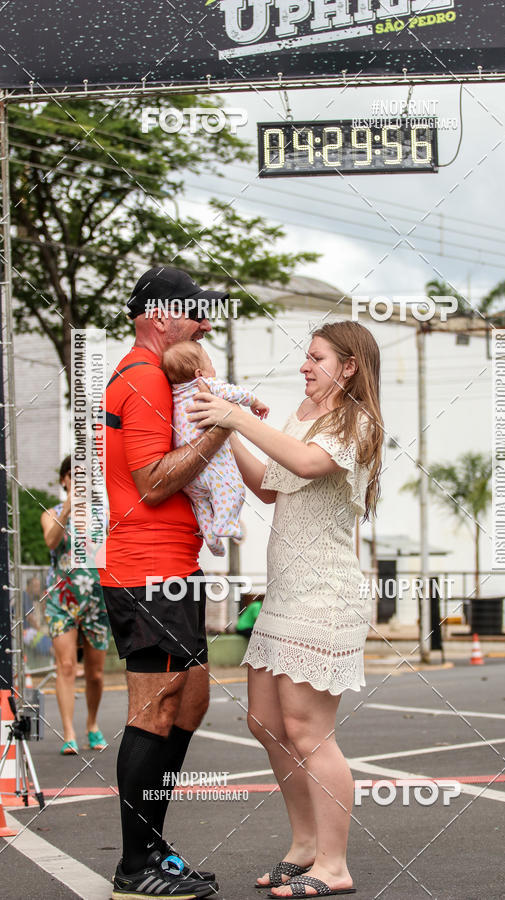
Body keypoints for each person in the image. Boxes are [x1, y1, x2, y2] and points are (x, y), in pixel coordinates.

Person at [190, 320, 383, 899]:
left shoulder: (360, 424)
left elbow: (304, 465)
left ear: (347, 366)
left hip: (324, 597)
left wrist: (239, 417)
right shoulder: (304, 417)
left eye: (316, 357)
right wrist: (226, 431)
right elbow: (272, 484)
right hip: (284, 593)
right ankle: (303, 848)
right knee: (267, 723)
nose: (304, 365)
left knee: (309, 731)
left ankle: (334, 864)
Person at [98, 266, 231, 900]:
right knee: (154, 710)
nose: (203, 323)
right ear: (158, 315)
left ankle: (152, 845)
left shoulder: (154, 375)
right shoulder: (144, 377)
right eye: (193, 312)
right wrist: (222, 425)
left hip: (173, 569)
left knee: (192, 700)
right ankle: (135, 864)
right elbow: (154, 482)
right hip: (145, 570)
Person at [161, 340, 269, 556]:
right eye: (210, 363)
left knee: (202, 504)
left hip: (188, 472)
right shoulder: (206, 385)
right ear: (199, 372)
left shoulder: (174, 395)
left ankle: (211, 538)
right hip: (213, 466)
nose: (214, 369)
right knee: (234, 490)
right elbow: (235, 393)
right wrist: (255, 401)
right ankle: (225, 525)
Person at [41, 455, 110, 755]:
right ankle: (68, 732)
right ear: (64, 480)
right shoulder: (52, 513)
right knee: (66, 666)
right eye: (74, 474)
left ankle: (92, 725)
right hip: (63, 598)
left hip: (97, 598)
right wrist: (68, 508)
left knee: (95, 673)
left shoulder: (103, 515)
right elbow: (51, 542)